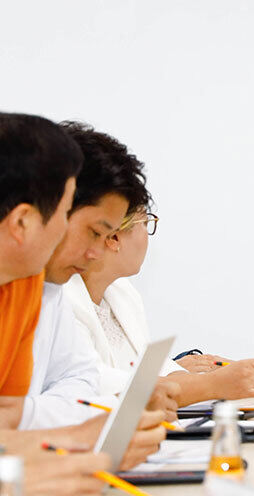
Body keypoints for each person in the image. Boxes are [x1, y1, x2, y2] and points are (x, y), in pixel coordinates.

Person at [49, 122, 254, 406]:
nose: (96, 248)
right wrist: (208, 384)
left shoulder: (122, 293)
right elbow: (90, 387)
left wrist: (190, 375)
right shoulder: (54, 296)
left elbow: (143, 374)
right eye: (97, 232)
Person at [0, 112, 161, 494]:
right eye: (63, 214)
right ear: (22, 222)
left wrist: (77, 439)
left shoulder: (25, 285)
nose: (99, 251)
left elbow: (7, 424)